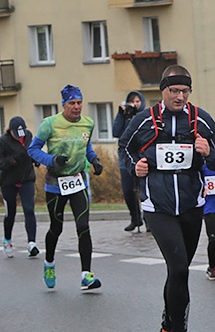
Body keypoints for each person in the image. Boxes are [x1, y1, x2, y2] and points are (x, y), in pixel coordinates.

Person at [119, 65, 215, 332]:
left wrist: (209, 152)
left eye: (185, 91)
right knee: (180, 268)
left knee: (177, 272)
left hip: (192, 206)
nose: (180, 96)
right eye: (175, 91)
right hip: (158, 207)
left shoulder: (200, 119)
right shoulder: (145, 120)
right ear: (163, 92)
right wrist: (136, 169)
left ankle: (166, 329)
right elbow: (125, 148)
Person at [28, 86, 104, 290]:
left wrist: (94, 160)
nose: (77, 107)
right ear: (64, 105)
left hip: (78, 181)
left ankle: (86, 275)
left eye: (79, 103)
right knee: (56, 227)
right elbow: (32, 150)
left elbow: (86, 146)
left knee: (83, 226)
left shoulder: (88, 123)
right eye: (72, 103)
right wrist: (51, 160)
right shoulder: (50, 124)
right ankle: (49, 263)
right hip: (56, 184)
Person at [0, 117, 39, 258]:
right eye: (16, 133)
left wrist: (35, 159)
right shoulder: (3, 141)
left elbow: (33, 150)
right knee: (11, 212)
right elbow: (1, 163)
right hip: (8, 181)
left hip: (27, 178)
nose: (19, 136)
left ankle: (32, 243)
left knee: (29, 209)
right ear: (10, 131)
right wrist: (15, 159)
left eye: (21, 133)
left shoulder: (28, 136)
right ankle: (8, 240)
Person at [112, 90, 147, 231]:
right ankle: (135, 218)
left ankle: (148, 219)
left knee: (144, 191)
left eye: (138, 101)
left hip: (142, 157)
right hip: (126, 160)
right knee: (128, 191)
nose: (135, 104)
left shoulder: (144, 117)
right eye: (132, 101)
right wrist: (121, 115)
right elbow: (116, 132)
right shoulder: (124, 117)